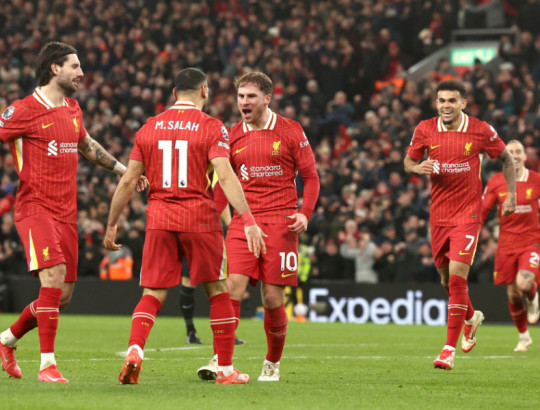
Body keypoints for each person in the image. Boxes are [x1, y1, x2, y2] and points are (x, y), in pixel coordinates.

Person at [103, 67, 266, 385]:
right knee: (218, 291)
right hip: (199, 218)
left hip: (159, 218)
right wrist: (247, 218)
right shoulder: (212, 127)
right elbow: (225, 175)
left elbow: (128, 180)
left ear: (175, 93)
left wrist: (111, 225)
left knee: (152, 292)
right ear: (204, 90)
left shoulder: (149, 126)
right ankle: (226, 370)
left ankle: (135, 349)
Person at [0, 41, 146, 383]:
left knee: (61, 297)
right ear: (55, 68)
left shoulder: (72, 108)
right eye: (75, 66)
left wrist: (124, 171)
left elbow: (87, 145)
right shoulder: (23, 110)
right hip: (35, 208)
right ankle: (47, 366)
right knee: (52, 279)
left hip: (67, 213)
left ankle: (6, 341)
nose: (81, 73)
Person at [197, 72, 320, 382]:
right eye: (240, 96)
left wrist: (305, 213)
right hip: (244, 221)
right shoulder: (230, 135)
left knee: (272, 299)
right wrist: (211, 219)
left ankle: (272, 363)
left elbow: (311, 177)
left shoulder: (291, 130)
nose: (244, 102)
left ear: (267, 98)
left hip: (281, 223)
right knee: (231, 289)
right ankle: (221, 359)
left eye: (251, 96)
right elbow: (224, 184)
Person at [404, 79, 516, 370]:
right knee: (446, 281)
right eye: (442, 100)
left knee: (456, 280)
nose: (446, 105)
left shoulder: (480, 130)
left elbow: (506, 159)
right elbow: (408, 161)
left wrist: (511, 195)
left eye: (452, 100)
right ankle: (471, 317)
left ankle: (447, 350)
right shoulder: (425, 129)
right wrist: (418, 167)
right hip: (438, 216)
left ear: (463, 103)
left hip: (468, 215)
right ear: (436, 103)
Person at [482, 140, 540, 352]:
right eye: (510, 152)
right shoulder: (496, 181)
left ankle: (533, 297)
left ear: (525, 156)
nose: (514, 155)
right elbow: (483, 208)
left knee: (524, 284)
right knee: (513, 294)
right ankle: (523, 336)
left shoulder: (536, 180)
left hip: (531, 241)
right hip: (506, 244)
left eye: (518, 151)